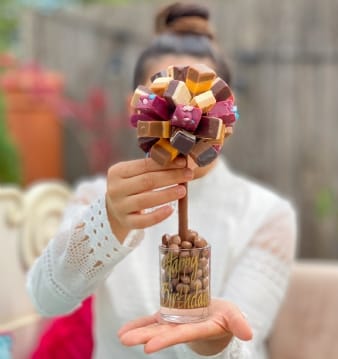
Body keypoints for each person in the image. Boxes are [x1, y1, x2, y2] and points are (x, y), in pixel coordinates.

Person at [27, 2, 297, 358]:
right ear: (135, 109)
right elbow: (47, 298)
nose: (184, 121)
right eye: (165, 102)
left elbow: (243, 345)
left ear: (227, 117)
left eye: (201, 108)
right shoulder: (98, 197)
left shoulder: (267, 213)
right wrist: (109, 221)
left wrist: (214, 339)